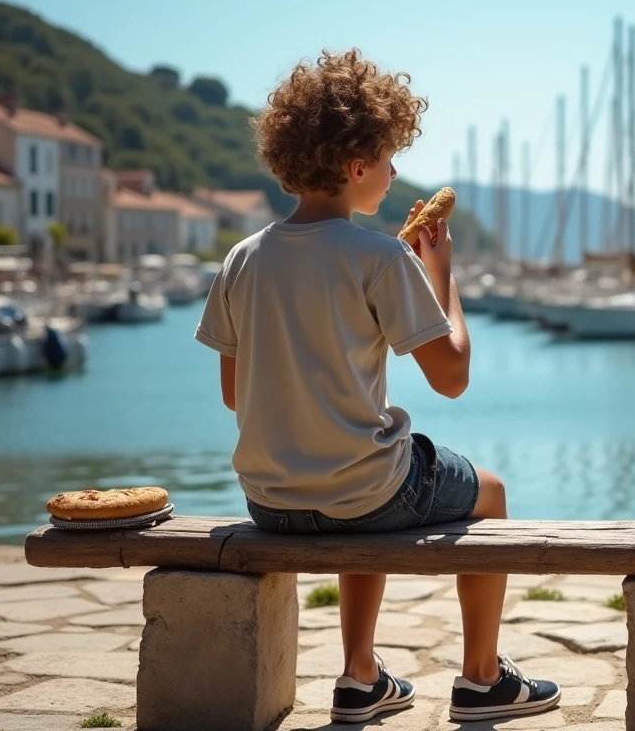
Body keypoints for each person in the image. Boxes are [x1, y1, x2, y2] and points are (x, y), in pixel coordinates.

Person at [195, 49, 560, 724]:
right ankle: (483, 679)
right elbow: (452, 379)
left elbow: (233, 396)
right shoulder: (383, 257)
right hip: (363, 491)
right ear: (356, 166)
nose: (394, 174)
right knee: (487, 490)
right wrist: (442, 275)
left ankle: (361, 674)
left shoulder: (242, 260)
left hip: (269, 501)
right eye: (389, 159)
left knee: (366, 461)